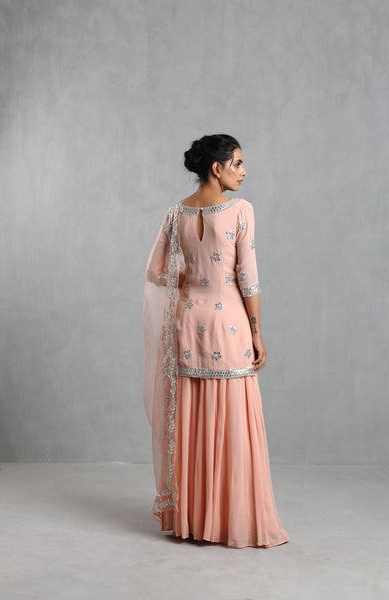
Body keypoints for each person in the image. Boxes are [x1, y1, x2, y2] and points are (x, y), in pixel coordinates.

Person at [142, 134, 290, 549]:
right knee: (234, 422)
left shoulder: (176, 213)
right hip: (230, 325)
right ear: (217, 167)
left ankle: (195, 522)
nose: (243, 172)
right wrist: (257, 332)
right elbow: (248, 278)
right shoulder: (241, 210)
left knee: (193, 418)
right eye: (237, 163)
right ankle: (234, 520)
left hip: (188, 323)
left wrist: (190, 282)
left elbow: (155, 271)